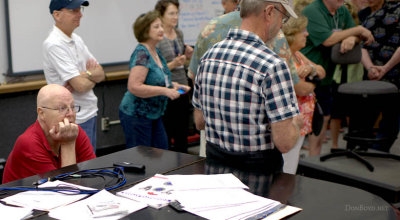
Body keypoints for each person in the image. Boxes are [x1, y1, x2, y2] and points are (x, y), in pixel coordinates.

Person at [188, 2, 312, 157]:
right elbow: (284, 142)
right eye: (283, 18)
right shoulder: (273, 65)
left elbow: (200, 122)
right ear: (269, 12)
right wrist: (295, 124)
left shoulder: (209, 57)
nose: (281, 25)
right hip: (256, 173)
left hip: (215, 168)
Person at [300, 0, 374, 156]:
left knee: (323, 119)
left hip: (327, 75)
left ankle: (315, 160)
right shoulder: (313, 10)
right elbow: (328, 40)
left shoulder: (341, 10)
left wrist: (352, 38)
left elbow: (357, 35)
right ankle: (307, 163)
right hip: (307, 74)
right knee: (312, 122)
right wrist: (357, 30)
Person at [119, 11, 190, 149]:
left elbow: (158, 79)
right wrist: (165, 91)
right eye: (156, 27)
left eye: (161, 26)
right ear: (145, 30)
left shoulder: (155, 51)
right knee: (142, 156)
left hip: (154, 113)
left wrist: (174, 86)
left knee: (161, 152)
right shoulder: (142, 53)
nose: (161, 30)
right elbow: (134, 86)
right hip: (137, 114)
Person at [43, 0, 105, 153]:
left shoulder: (77, 39)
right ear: (57, 15)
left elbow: (101, 73)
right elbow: (80, 86)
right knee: (78, 171)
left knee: (88, 166)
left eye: (80, 9)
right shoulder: (54, 44)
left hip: (88, 113)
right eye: (74, 11)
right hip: (72, 119)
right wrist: (89, 76)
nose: (80, 14)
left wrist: (86, 75)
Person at [2, 84, 96, 184]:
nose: (71, 114)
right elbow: (65, 190)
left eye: (72, 107)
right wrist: (68, 144)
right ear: (42, 113)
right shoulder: (28, 143)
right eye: (62, 108)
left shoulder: (75, 131)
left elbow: (94, 174)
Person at [282, 15, 326, 174]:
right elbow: (300, 89)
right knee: (287, 165)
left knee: (292, 163)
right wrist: (315, 83)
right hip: (290, 122)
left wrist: (311, 70)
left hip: (302, 121)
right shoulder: (285, 57)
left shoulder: (297, 55)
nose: (307, 34)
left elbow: (322, 71)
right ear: (292, 34)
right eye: (303, 31)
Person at [360, 0, 400, 152]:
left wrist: (385, 68)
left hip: (394, 73)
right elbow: (362, 45)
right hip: (372, 72)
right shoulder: (366, 14)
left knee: (391, 114)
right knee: (367, 112)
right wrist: (370, 68)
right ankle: (365, 146)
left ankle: (380, 149)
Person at [155, 0, 194, 153]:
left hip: (182, 86)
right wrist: (173, 63)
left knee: (182, 130)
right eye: (171, 13)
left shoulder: (178, 33)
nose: (175, 17)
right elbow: (156, 67)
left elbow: (182, 61)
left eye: (177, 13)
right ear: (161, 15)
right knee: (167, 130)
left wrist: (187, 56)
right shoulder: (157, 37)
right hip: (166, 88)